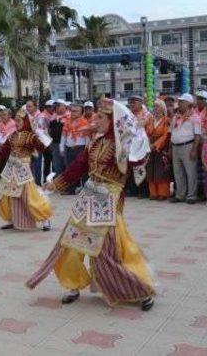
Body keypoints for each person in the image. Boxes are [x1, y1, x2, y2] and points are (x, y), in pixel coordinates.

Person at [27, 98, 154, 311]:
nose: (96, 119)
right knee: (71, 239)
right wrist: (55, 184)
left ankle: (139, 288)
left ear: (113, 120)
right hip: (89, 194)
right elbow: (79, 166)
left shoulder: (123, 144)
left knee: (107, 247)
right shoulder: (95, 142)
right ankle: (73, 284)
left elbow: (137, 160)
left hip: (108, 197)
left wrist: (135, 134)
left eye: (102, 117)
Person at [0, 107, 53, 231]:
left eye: (20, 121)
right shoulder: (13, 135)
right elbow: (4, 151)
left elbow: (42, 148)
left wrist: (40, 135)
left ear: (25, 122)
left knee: (30, 196)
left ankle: (45, 219)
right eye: (16, 121)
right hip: (10, 168)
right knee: (7, 195)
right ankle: (12, 219)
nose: (17, 123)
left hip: (24, 169)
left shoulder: (31, 136)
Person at [170, 93, 202, 204]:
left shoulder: (195, 117)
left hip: (188, 146)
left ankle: (191, 196)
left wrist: (194, 149)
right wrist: (170, 148)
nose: (179, 104)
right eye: (179, 102)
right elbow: (171, 132)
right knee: (178, 172)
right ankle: (180, 195)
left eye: (181, 102)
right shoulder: (176, 116)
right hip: (175, 147)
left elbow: (197, 135)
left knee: (191, 172)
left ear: (188, 104)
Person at [60, 103, 89, 194]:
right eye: (72, 111)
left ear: (81, 113)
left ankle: (85, 189)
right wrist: (61, 147)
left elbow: (87, 138)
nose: (73, 113)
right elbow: (64, 136)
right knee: (70, 169)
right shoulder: (67, 121)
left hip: (80, 148)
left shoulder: (84, 122)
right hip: (69, 148)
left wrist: (87, 150)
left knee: (82, 169)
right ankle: (71, 189)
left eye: (76, 111)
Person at [145, 99, 171, 200]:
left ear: (162, 108)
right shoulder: (150, 120)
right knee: (151, 169)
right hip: (150, 146)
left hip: (161, 147)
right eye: (154, 106)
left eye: (157, 106)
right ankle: (153, 193)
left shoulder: (166, 120)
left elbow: (165, 135)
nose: (155, 108)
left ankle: (163, 193)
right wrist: (148, 144)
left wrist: (156, 145)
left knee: (161, 170)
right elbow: (147, 133)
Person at [0, 105, 17, 188]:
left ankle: (8, 184)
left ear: (10, 116)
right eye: (2, 115)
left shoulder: (14, 124)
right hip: (0, 148)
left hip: (9, 148)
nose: (2, 116)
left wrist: (4, 144)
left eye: (4, 115)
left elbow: (11, 136)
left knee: (8, 167)